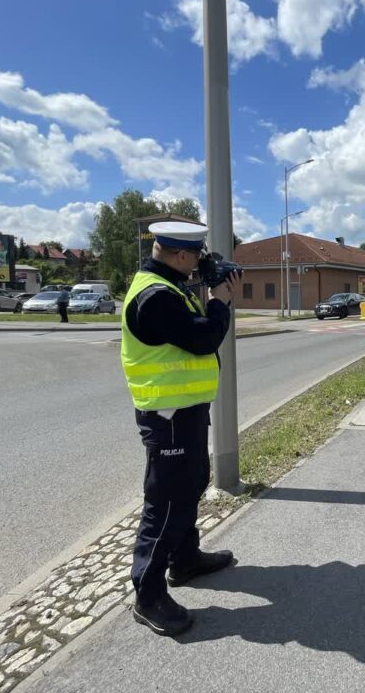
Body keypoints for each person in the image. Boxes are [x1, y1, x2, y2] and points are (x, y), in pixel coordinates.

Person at [120, 221, 242, 636]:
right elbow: (203, 338)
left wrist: (210, 288)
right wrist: (221, 301)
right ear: (182, 255)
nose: (199, 264)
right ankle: (148, 595)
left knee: (192, 484)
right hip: (168, 416)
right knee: (167, 502)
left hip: (184, 412)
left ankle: (185, 560)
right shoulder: (155, 296)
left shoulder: (169, 287)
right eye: (197, 257)